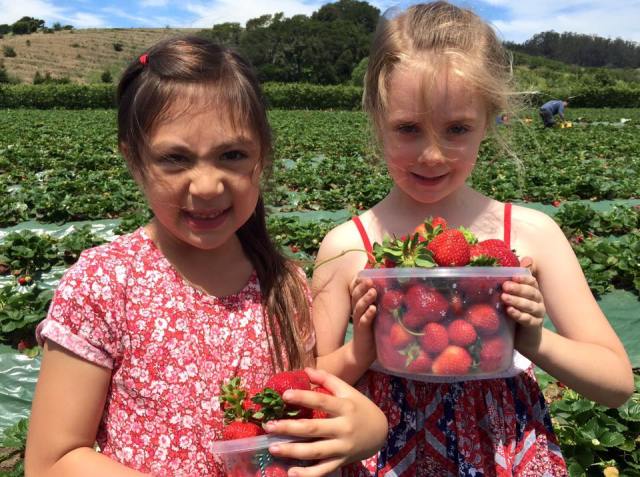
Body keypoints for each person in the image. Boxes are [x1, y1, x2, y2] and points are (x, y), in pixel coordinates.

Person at [24, 36, 387, 477]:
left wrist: (364, 399)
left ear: (263, 156)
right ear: (134, 160)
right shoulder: (105, 282)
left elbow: (297, 381)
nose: (207, 186)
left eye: (232, 155)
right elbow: (53, 461)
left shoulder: (282, 280)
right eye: (175, 159)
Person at [311, 2, 634, 476]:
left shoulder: (531, 234)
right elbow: (311, 383)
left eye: (457, 128)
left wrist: (533, 339)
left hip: (502, 444)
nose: (432, 153)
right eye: (407, 128)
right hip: (385, 448)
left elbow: (616, 384)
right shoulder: (346, 246)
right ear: (377, 118)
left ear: (490, 119)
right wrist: (363, 350)